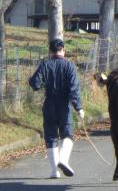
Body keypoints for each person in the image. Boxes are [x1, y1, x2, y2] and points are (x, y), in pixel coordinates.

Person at [29, 39, 84, 179]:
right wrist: (79, 107)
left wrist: (35, 81)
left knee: (51, 137)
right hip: (65, 105)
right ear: (63, 49)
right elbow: (74, 89)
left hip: (49, 104)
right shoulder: (70, 66)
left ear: (51, 51)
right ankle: (64, 160)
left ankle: (54, 171)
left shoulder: (45, 65)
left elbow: (35, 84)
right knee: (67, 134)